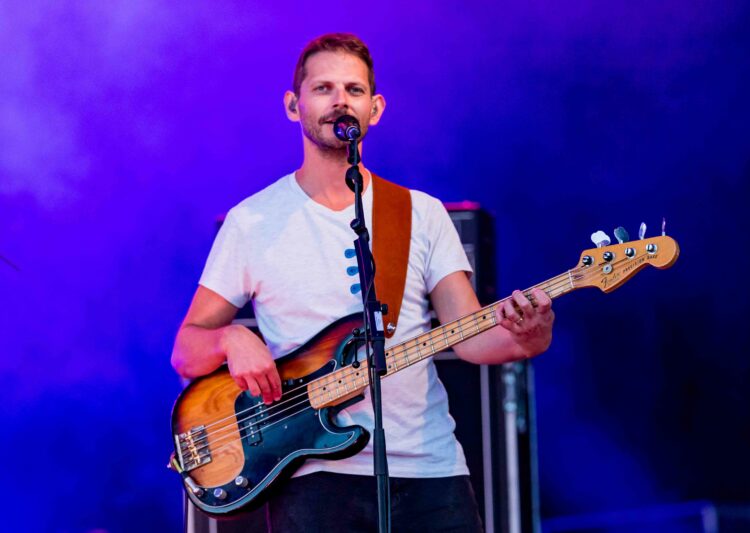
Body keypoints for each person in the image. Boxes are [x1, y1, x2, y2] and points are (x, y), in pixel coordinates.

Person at [171, 32, 555, 532]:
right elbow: (186, 350)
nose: (340, 101)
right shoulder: (253, 222)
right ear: (293, 106)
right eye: (323, 88)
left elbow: (470, 336)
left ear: (375, 109)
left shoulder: (420, 213)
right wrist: (230, 338)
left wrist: (531, 337)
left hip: (430, 470)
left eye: (353, 90)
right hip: (314, 477)